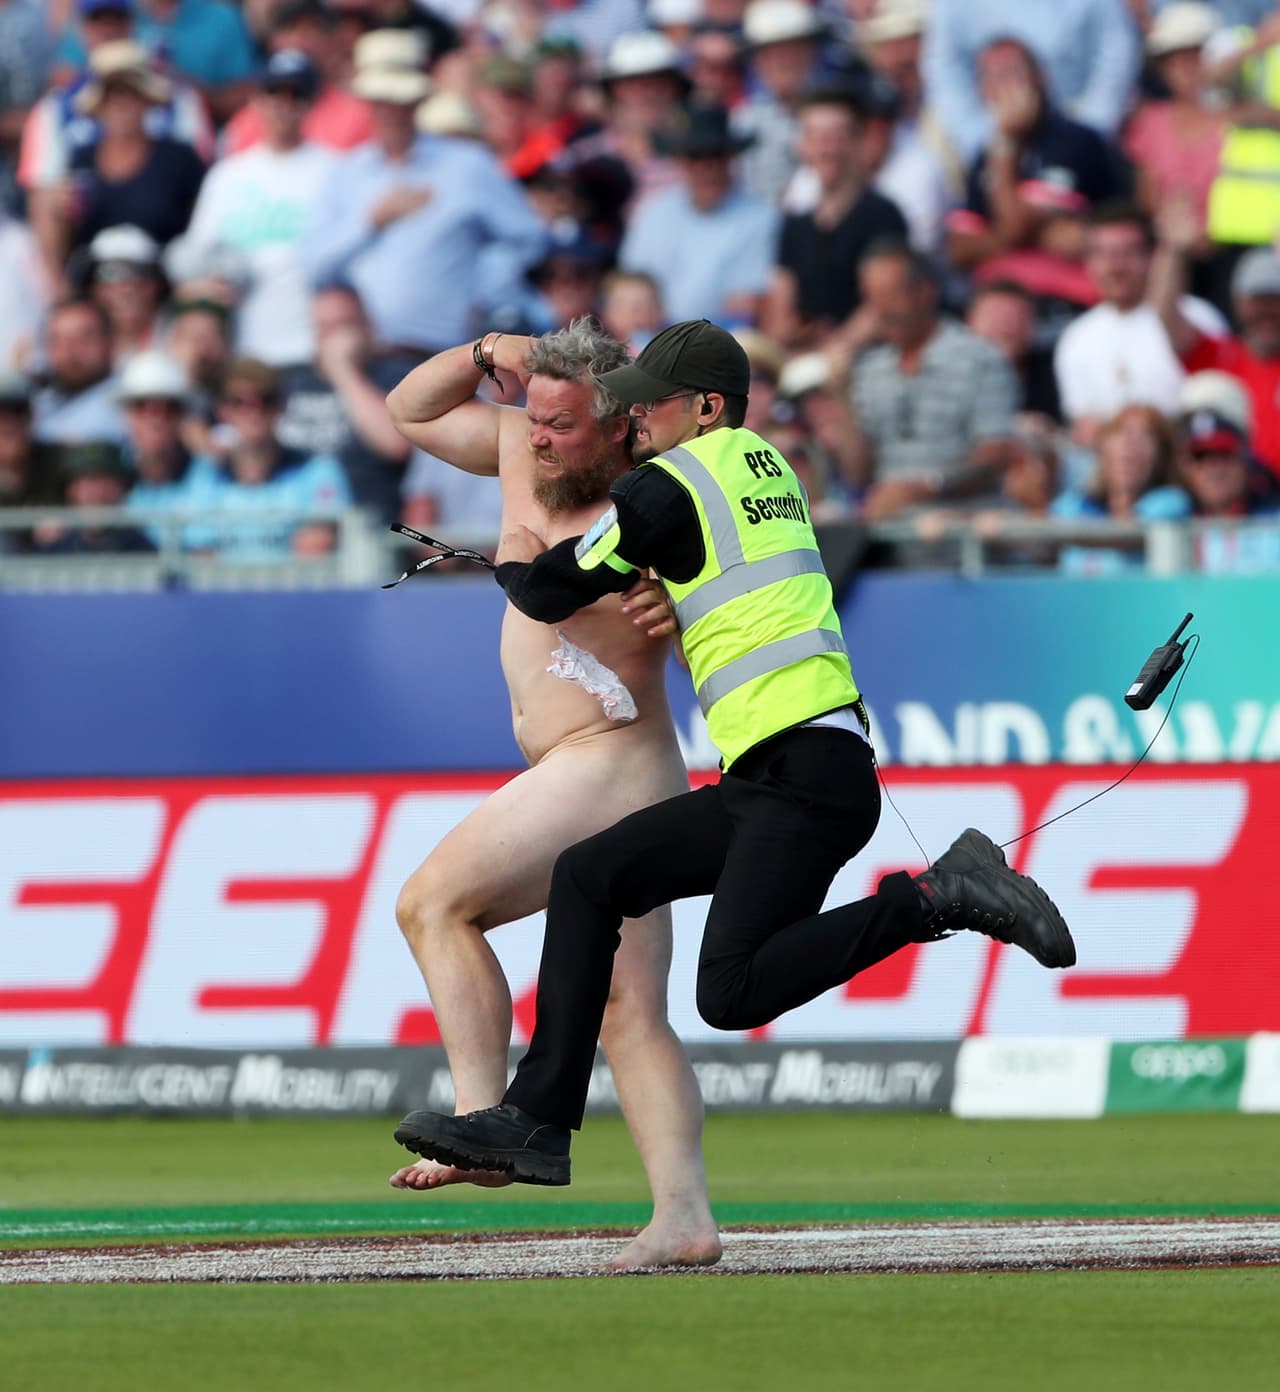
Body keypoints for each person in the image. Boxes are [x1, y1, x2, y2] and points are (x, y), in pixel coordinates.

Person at [391, 318, 1075, 1187]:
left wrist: (515, 556)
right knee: (589, 878)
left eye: (652, 405)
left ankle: (938, 896)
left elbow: (552, 587)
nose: (638, 419)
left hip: (798, 770)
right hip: (783, 767)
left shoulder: (668, 485)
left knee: (730, 993)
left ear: (707, 408)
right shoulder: (765, 466)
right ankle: (536, 1122)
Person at [383, 320, 721, 1269]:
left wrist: (679, 607)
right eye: (533, 418)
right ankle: (685, 1218)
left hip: (610, 754)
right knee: (628, 1012)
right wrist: (487, 353)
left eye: (561, 425)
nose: (537, 438)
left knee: (434, 903)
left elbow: (725, 608)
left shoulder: (654, 498)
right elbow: (409, 410)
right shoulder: (517, 446)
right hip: (600, 767)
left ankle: (483, 1124)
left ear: (619, 427)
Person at [182, 49, 336, 369]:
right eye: (274, 93)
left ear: (310, 104)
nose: (284, 104)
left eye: (295, 95)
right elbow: (198, 258)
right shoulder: (228, 174)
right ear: (257, 100)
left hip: (310, 346)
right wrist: (210, 284)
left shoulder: (335, 171)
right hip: (239, 349)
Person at [846, 241, 1017, 521]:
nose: (881, 311)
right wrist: (839, 391)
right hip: (887, 534)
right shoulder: (869, 367)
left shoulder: (978, 358)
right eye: (871, 298)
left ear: (926, 292)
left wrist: (924, 488)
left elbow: (995, 455)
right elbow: (859, 472)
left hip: (964, 529)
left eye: (890, 296)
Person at [1053, 203, 1226, 443]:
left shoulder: (1197, 316)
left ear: (1151, 256)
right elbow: (1085, 429)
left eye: (1128, 252)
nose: (1115, 266)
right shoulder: (1076, 338)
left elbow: (1219, 407)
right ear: (1088, 261)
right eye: (1102, 254)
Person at [762, 84, 907, 350]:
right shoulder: (794, 225)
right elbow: (780, 308)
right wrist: (791, 335)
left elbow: (885, 301)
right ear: (802, 145)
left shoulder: (884, 216)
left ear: (859, 141)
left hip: (869, 356)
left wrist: (833, 351)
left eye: (837, 136)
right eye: (815, 136)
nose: (826, 149)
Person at [618, 104, 778, 327]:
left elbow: (744, 306)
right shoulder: (654, 212)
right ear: (680, 160)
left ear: (729, 158)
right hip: (649, 335)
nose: (706, 167)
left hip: (722, 339)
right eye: (695, 157)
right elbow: (628, 288)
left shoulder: (760, 217)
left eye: (715, 156)